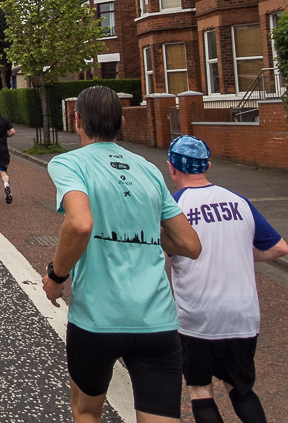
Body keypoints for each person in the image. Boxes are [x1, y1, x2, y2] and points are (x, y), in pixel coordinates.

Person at [43, 86, 201, 423]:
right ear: (123, 121)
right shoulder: (148, 169)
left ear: (77, 121)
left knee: (86, 410)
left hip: (96, 318)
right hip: (156, 318)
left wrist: (56, 277)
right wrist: (140, 231)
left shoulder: (69, 163)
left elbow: (80, 223)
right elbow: (189, 244)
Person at [166, 136, 288, 423]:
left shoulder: (173, 207)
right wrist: (242, 252)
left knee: (200, 389)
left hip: (198, 315)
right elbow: (280, 247)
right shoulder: (239, 201)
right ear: (207, 166)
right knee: (241, 390)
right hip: (243, 315)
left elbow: (163, 253)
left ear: (172, 168)